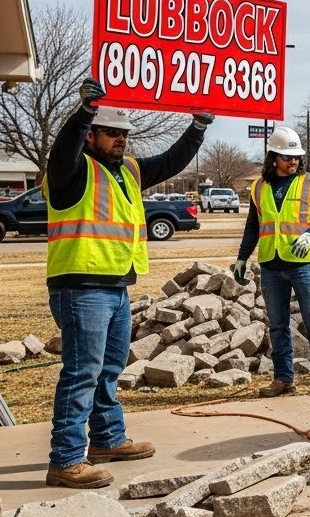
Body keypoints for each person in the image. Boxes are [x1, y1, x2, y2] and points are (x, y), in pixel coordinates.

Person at [43, 78, 212, 488]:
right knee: (82, 371)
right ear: (91, 136)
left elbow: (170, 162)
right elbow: (63, 151)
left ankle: (106, 440)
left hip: (117, 286)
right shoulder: (72, 170)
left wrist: (198, 128)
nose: (121, 139)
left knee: (109, 369)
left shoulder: (130, 170)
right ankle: (65, 460)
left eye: (124, 133)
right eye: (111, 132)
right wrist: (83, 112)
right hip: (80, 286)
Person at [234, 127, 310, 399]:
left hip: (303, 264)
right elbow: (253, 226)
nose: (293, 162)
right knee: (278, 325)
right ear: (273, 158)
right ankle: (283, 379)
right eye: (286, 157)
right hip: (270, 264)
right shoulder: (258, 187)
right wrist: (242, 258)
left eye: (296, 157)